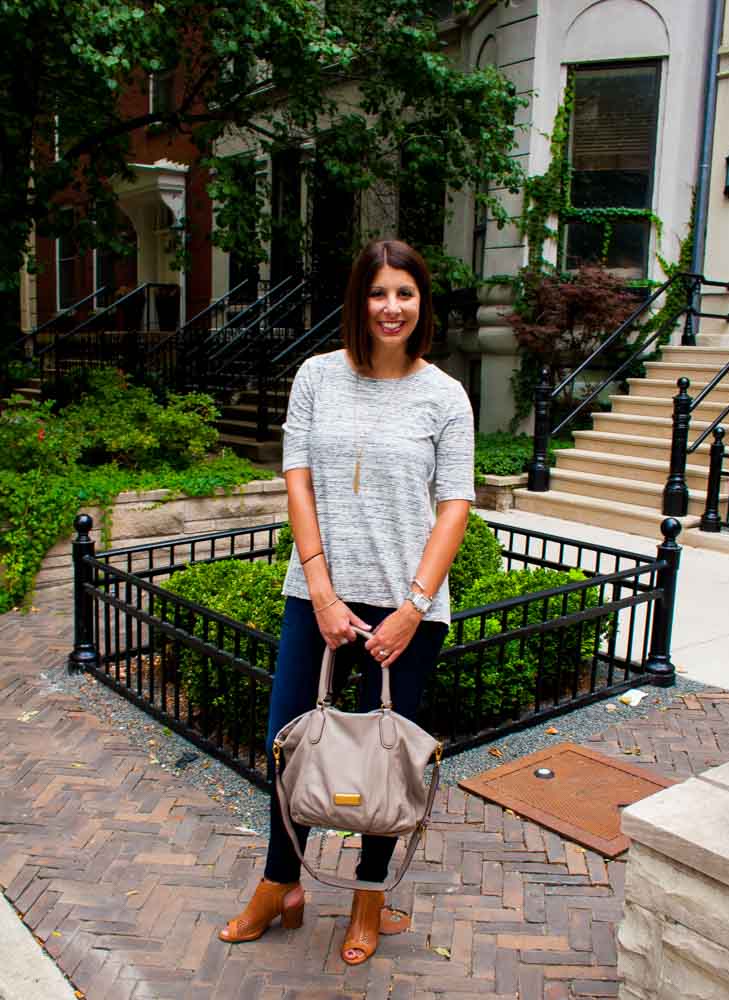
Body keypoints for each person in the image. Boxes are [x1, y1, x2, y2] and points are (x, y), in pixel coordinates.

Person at [219, 239, 474, 964]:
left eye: (405, 294)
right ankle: (280, 884)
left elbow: (454, 504)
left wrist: (413, 607)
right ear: (357, 301)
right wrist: (323, 592)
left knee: (388, 761)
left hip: (409, 609)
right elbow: (296, 479)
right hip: (317, 599)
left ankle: (369, 895)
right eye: (377, 293)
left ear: (421, 304)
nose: (391, 307)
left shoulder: (444, 396)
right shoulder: (315, 378)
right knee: (287, 744)